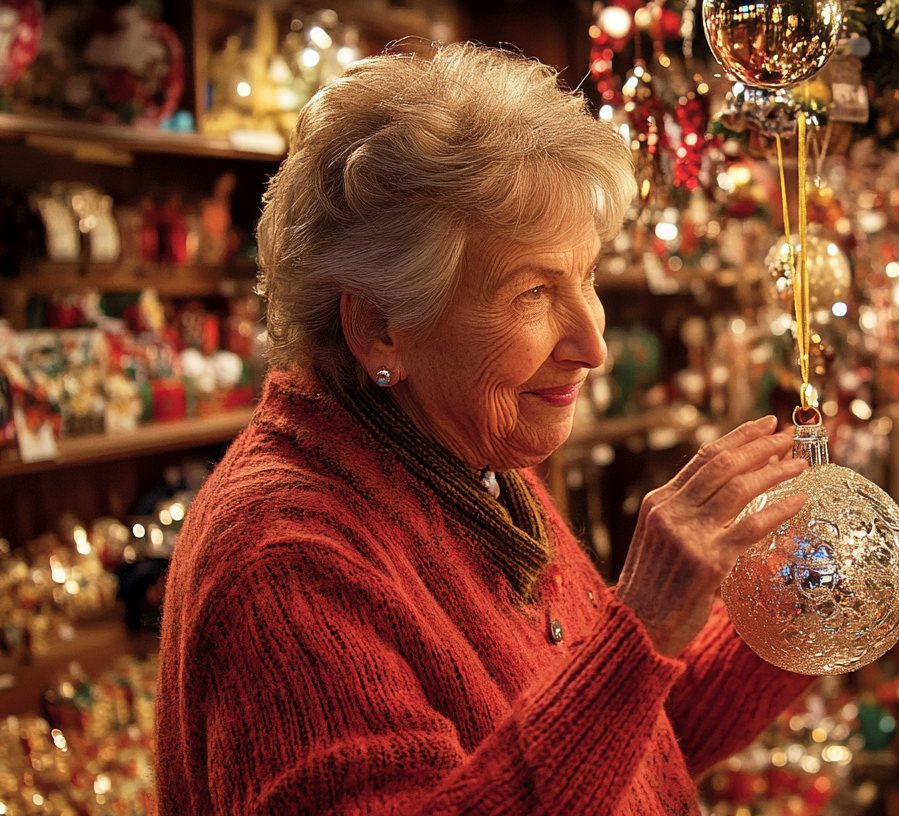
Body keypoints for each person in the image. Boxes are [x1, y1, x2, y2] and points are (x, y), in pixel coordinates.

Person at [156, 44, 815, 815]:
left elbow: (628, 759)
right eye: (533, 291)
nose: (593, 344)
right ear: (379, 328)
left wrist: (799, 602)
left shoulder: (461, 463)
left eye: (587, 278)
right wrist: (638, 628)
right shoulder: (287, 562)